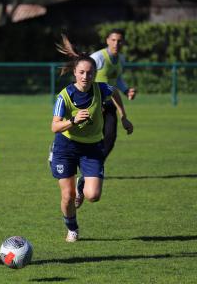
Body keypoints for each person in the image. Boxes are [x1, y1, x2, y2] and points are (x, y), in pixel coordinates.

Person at [49, 35, 133, 242]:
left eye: (90, 73)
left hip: (92, 147)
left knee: (93, 195)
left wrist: (124, 116)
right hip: (66, 146)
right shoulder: (65, 96)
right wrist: (73, 120)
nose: (86, 76)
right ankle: (72, 228)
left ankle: (82, 184)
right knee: (67, 196)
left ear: (95, 74)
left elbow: (115, 92)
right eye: (82, 73)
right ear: (75, 73)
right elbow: (54, 126)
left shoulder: (101, 89)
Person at [73, 29, 136, 208]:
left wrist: (126, 91)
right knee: (84, 140)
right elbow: (83, 76)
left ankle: (86, 176)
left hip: (108, 105)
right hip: (92, 105)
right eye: (113, 40)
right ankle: (61, 155)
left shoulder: (120, 60)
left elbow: (116, 82)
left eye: (120, 40)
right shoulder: (98, 58)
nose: (116, 43)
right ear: (107, 40)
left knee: (109, 140)